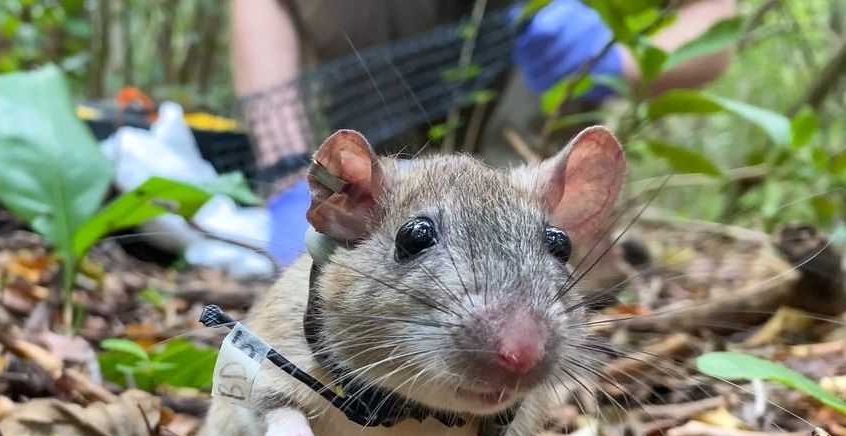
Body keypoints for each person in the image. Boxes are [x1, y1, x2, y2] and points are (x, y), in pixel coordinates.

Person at [231, 0, 737, 269]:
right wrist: (285, 179)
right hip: (379, 139)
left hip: (528, 139)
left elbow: (714, 16)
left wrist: (615, 61)